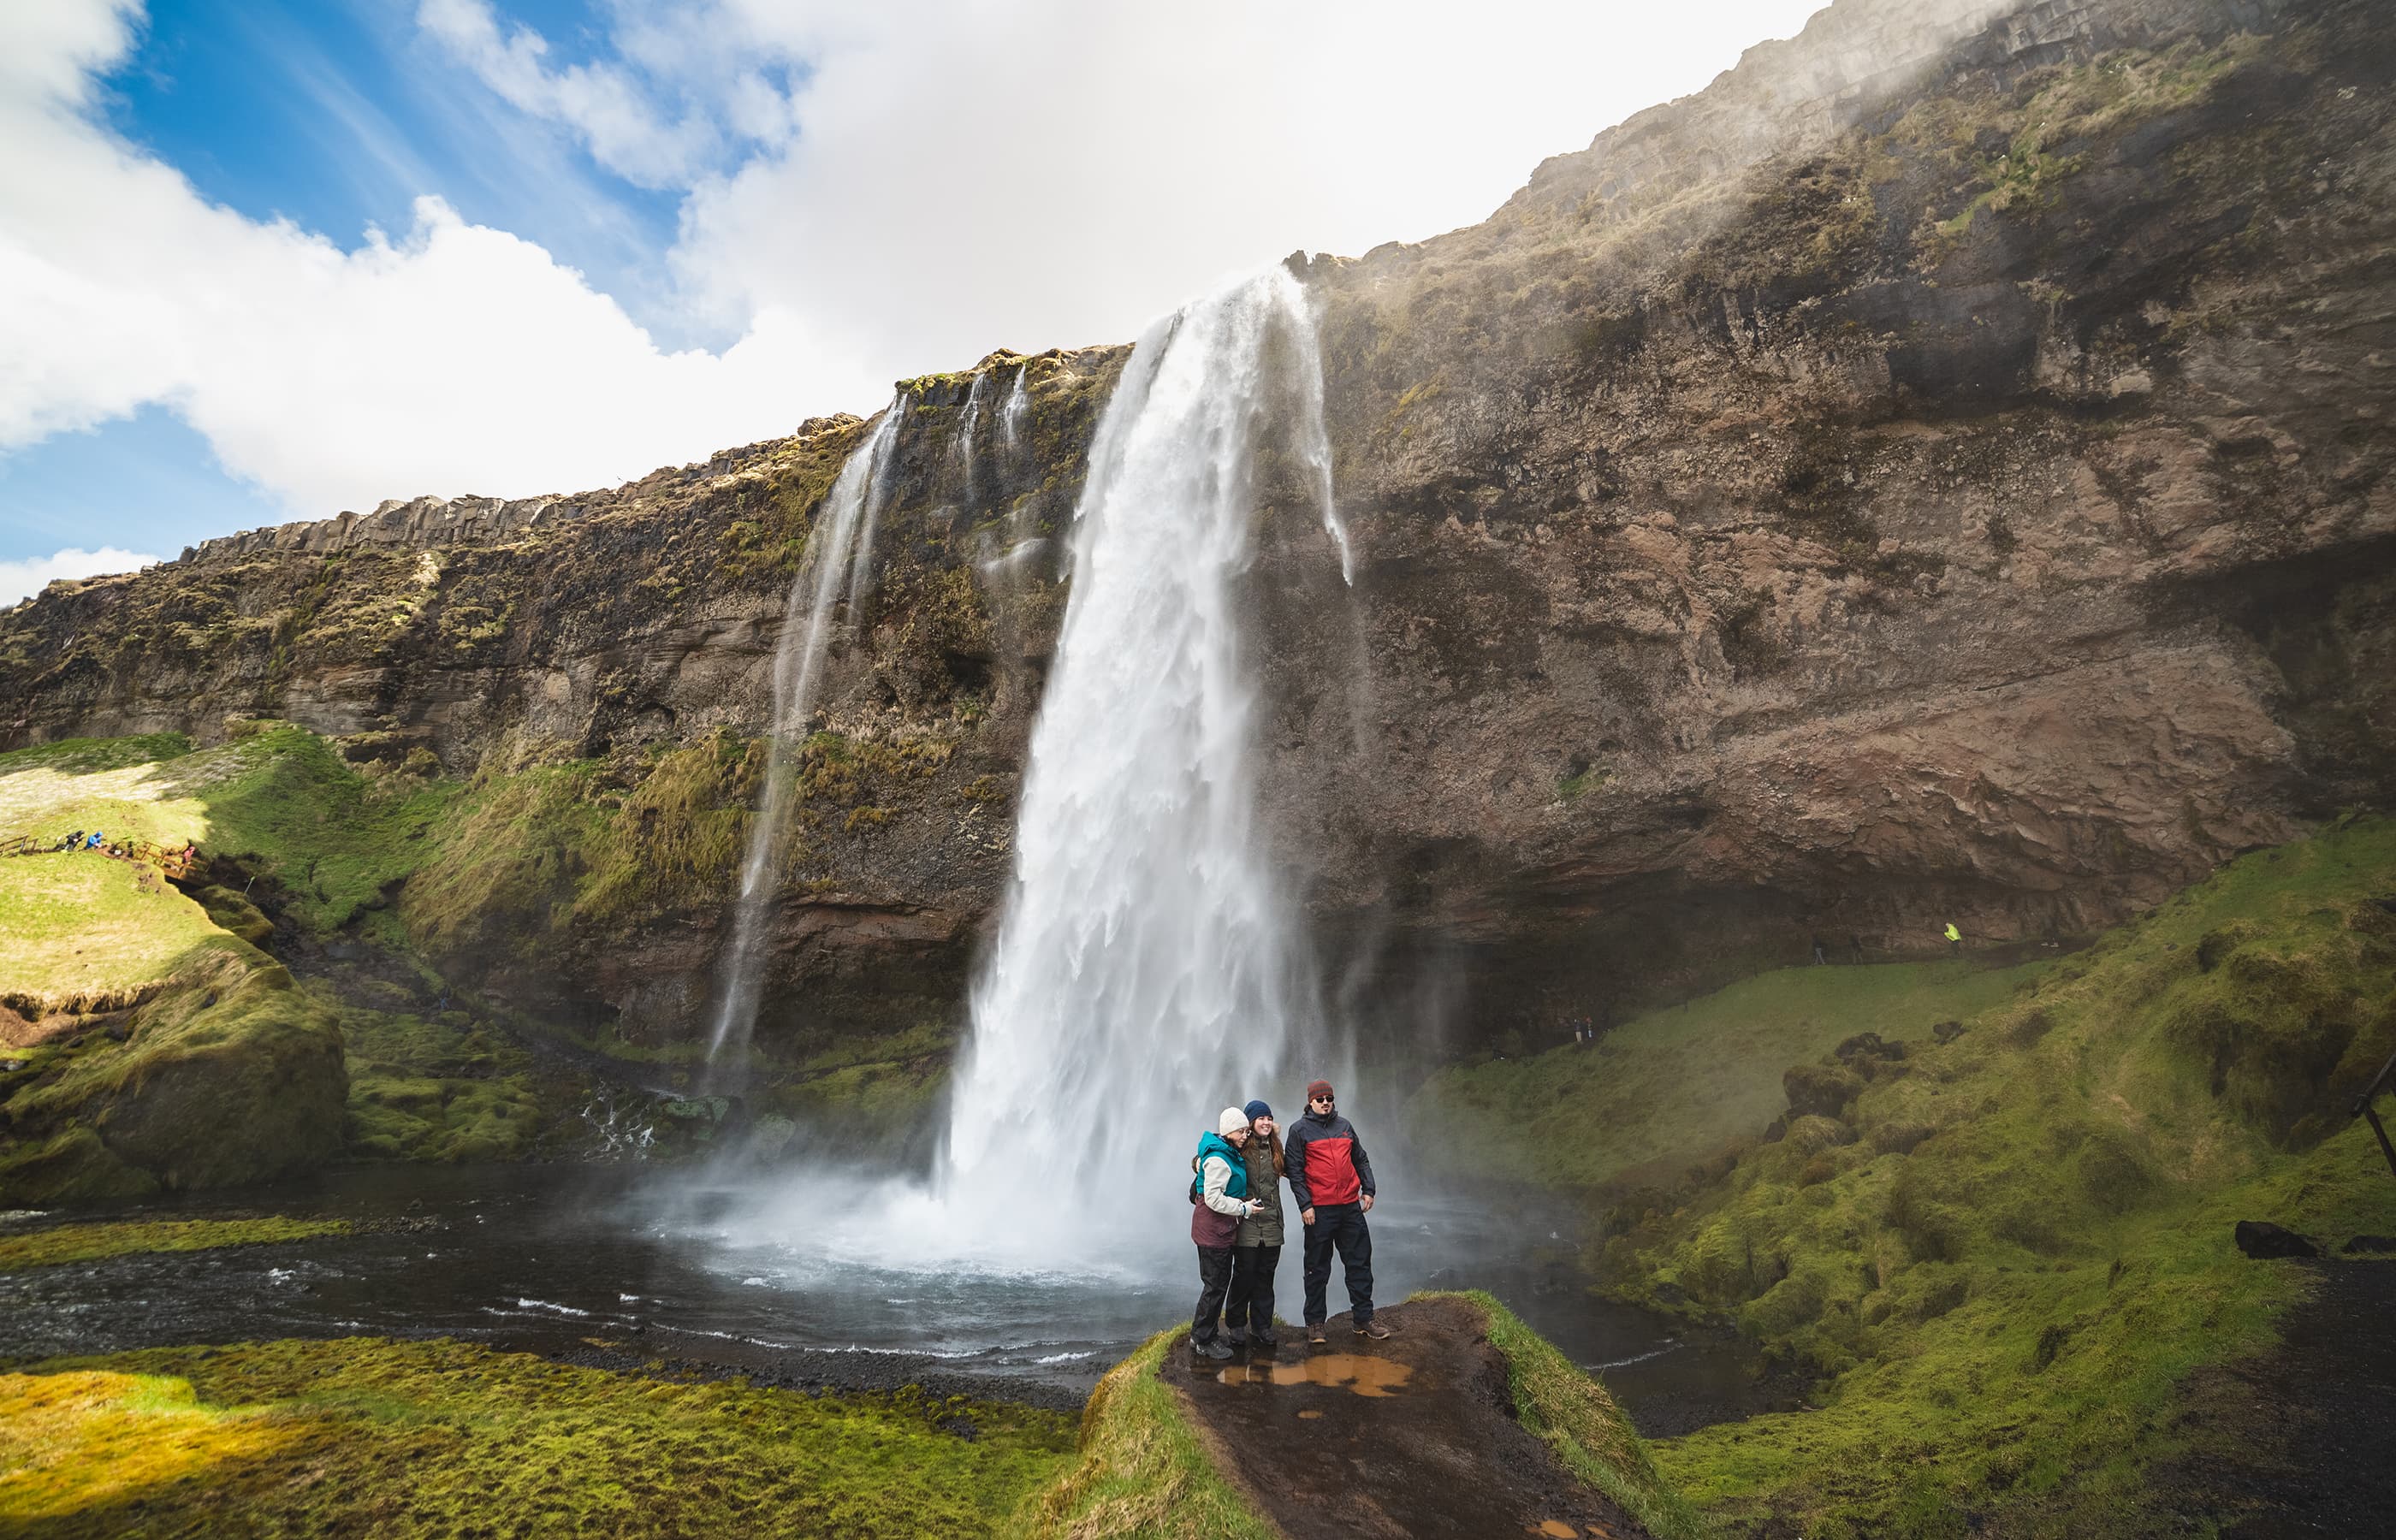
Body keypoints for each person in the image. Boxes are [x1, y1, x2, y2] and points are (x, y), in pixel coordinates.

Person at [1285, 1079, 1389, 1344]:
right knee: (1317, 1268)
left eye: (1329, 1099)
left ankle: (1363, 1320)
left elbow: (1360, 1158)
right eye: (1320, 1099)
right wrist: (1305, 1205)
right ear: (1310, 1102)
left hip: (1350, 1208)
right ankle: (1316, 1324)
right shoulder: (1299, 1131)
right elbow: (1294, 1171)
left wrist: (1369, 1189)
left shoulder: (1345, 1126)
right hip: (1319, 1211)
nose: (1326, 1103)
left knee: (1360, 1263)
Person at [1189, 1107, 1265, 1361]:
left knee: (1216, 1284)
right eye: (1242, 1131)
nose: (1246, 1135)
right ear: (1228, 1131)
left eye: (1246, 1130)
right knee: (1215, 1286)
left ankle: (1201, 1334)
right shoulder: (1220, 1159)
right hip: (1213, 1231)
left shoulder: (1223, 1152)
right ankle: (1203, 1340)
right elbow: (1213, 1199)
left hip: (1216, 1230)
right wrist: (1243, 1208)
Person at [1225, 1099, 1288, 1349]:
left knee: (1265, 1277)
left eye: (1269, 1118)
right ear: (1250, 1123)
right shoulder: (1240, 1148)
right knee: (1243, 1275)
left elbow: (1299, 1170)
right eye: (1261, 1118)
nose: (1266, 1122)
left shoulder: (1277, 1149)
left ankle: (1262, 1326)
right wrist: (1197, 1164)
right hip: (1247, 1223)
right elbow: (1213, 1156)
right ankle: (1237, 1325)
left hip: (1272, 1224)